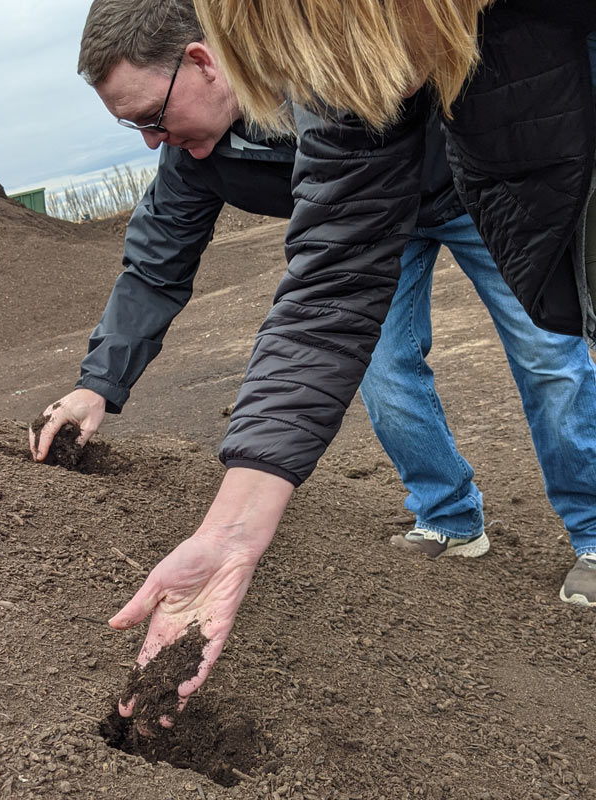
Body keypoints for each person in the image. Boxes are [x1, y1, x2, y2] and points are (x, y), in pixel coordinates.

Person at [32, 0, 596, 718]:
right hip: (378, 219)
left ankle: (593, 530)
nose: (149, 142)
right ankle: (449, 519)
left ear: (204, 61)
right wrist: (97, 388)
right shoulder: (205, 156)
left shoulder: (347, 54)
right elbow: (163, 269)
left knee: (547, 355)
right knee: (385, 374)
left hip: (473, 186)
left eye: (150, 117)